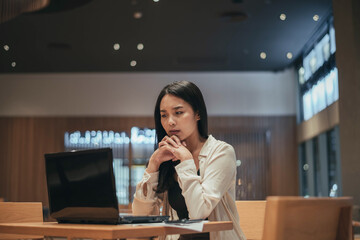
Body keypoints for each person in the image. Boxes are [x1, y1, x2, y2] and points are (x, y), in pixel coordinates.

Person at [132, 81, 246, 240]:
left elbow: (199, 213)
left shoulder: (221, 152)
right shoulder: (167, 158)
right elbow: (140, 218)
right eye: (164, 115)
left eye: (178, 113)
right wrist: (153, 164)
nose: (170, 121)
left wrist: (186, 160)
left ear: (197, 113)